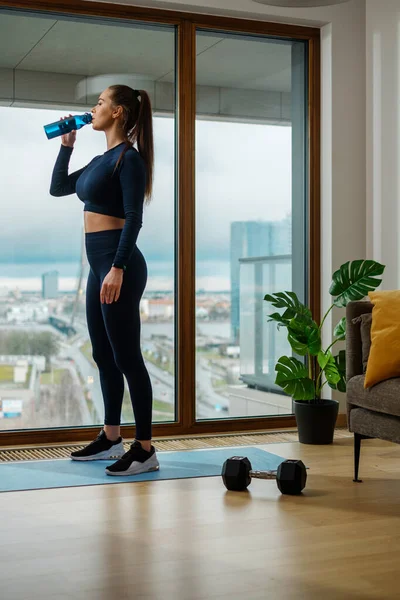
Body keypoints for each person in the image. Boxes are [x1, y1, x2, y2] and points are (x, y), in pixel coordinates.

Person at [50, 85, 158, 477]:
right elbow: (59, 188)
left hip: (117, 266)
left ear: (119, 112)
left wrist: (118, 267)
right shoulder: (102, 158)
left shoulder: (129, 159)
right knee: (102, 355)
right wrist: (67, 146)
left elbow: (134, 217)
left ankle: (145, 449)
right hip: (100, 266)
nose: (92, 108)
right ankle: (112, 436)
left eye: (99, 102)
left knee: (128, 356)